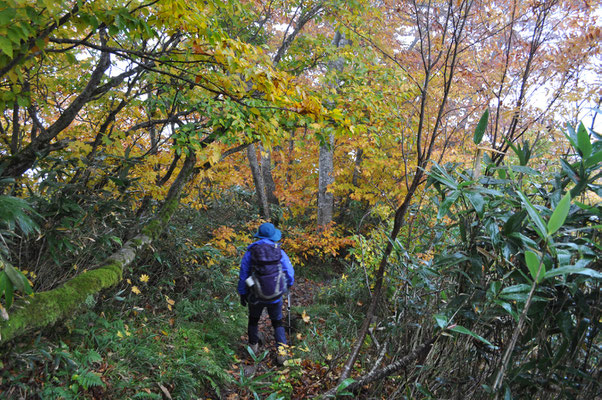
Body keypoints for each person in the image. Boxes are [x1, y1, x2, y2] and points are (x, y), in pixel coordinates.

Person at [238, 222, 294, 364]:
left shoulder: (251, 252)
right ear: (272, 236)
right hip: (275, 296)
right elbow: (290, 272)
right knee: (277, 322)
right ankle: (282, 353)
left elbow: (243, 275)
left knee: (253, 320)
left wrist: (243, 293)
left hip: (255, 295)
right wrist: (287, 286)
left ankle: (253, 349)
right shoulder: (279, 251)